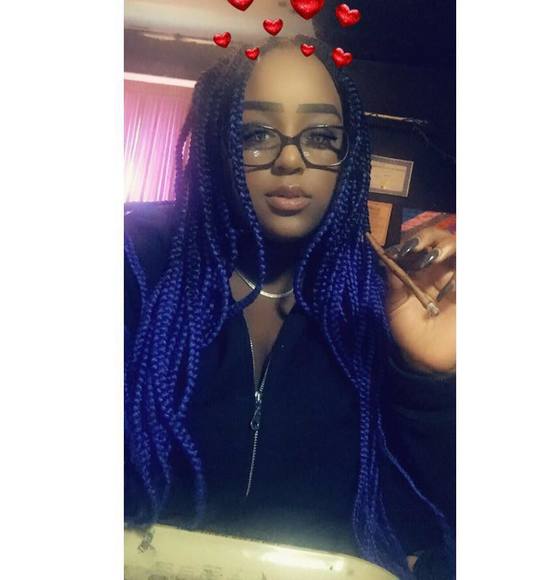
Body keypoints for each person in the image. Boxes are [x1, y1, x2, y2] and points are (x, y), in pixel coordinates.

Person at [124, 35, 456, 580]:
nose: (290, 160)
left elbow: (421, 528)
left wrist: (426, 379)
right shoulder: (138, 265)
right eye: (255, 134)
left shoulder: (376, 301)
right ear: (216, 143)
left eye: (321, 137)